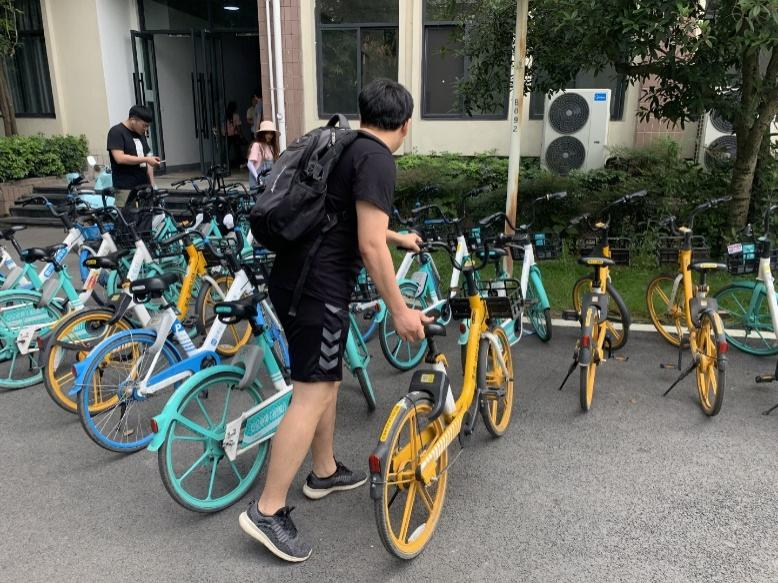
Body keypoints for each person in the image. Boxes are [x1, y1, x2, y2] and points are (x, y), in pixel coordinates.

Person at [239, 78, 430, 563]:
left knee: (324, 379)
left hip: (295, 280)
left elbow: (346, 218)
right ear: (406, 124)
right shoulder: (378, 160)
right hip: (318, 290)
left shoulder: (345, 144)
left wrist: (397, 237)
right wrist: (400, 310)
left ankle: (323, 472)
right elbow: (368, 244)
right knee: (313, 392)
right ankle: (267, 510)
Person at [106, 105, 160, 207]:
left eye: (147, 126)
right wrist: (146, 159)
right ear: (133, 120)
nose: (145, 129)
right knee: (126, 215)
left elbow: (148, 156)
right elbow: (119, 158)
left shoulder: (140, 134)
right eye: (144, 125)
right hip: (124, 188)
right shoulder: (116, 132)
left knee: (147, 215)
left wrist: (152, 183)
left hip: (144, 186)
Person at [247, 120, 280, 188]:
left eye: (271, 133)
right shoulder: (257, 145)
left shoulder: (271, 147)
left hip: (268, 180)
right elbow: (249, 164)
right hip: (257, 182)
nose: (270, 136)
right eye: (267, 133)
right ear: (262, 133)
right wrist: (257, 178)